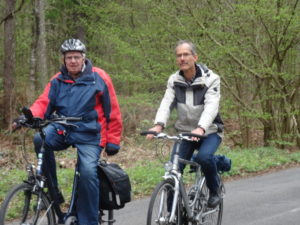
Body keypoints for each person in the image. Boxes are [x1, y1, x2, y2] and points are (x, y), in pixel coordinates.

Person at [13, 38, 122, 225]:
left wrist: (113, 140)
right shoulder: (57, 80)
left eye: (76, 57)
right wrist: (28, 117)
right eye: (69, 57)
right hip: (62, 128)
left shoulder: (99, 77)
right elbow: (43, 102)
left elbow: (112, 110)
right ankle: (52, 191)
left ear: (84, 58)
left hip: (90, 133)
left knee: (88, 172)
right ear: (64, 60)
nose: (72, 61)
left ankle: (88, 221)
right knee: (40, 138)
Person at [147, 40, 223, 208]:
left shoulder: (211, 79)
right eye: (178, 55)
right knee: (173, 172)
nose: (182, 58)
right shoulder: (174, 80)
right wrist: (159, 124)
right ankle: (172, 214)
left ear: (195, 57)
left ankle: (214, 190)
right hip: (185, 134)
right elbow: (166, 103)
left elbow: (211, 107)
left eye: (186, 54)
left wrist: (201, 127)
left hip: (209, 131)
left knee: (204, 157)